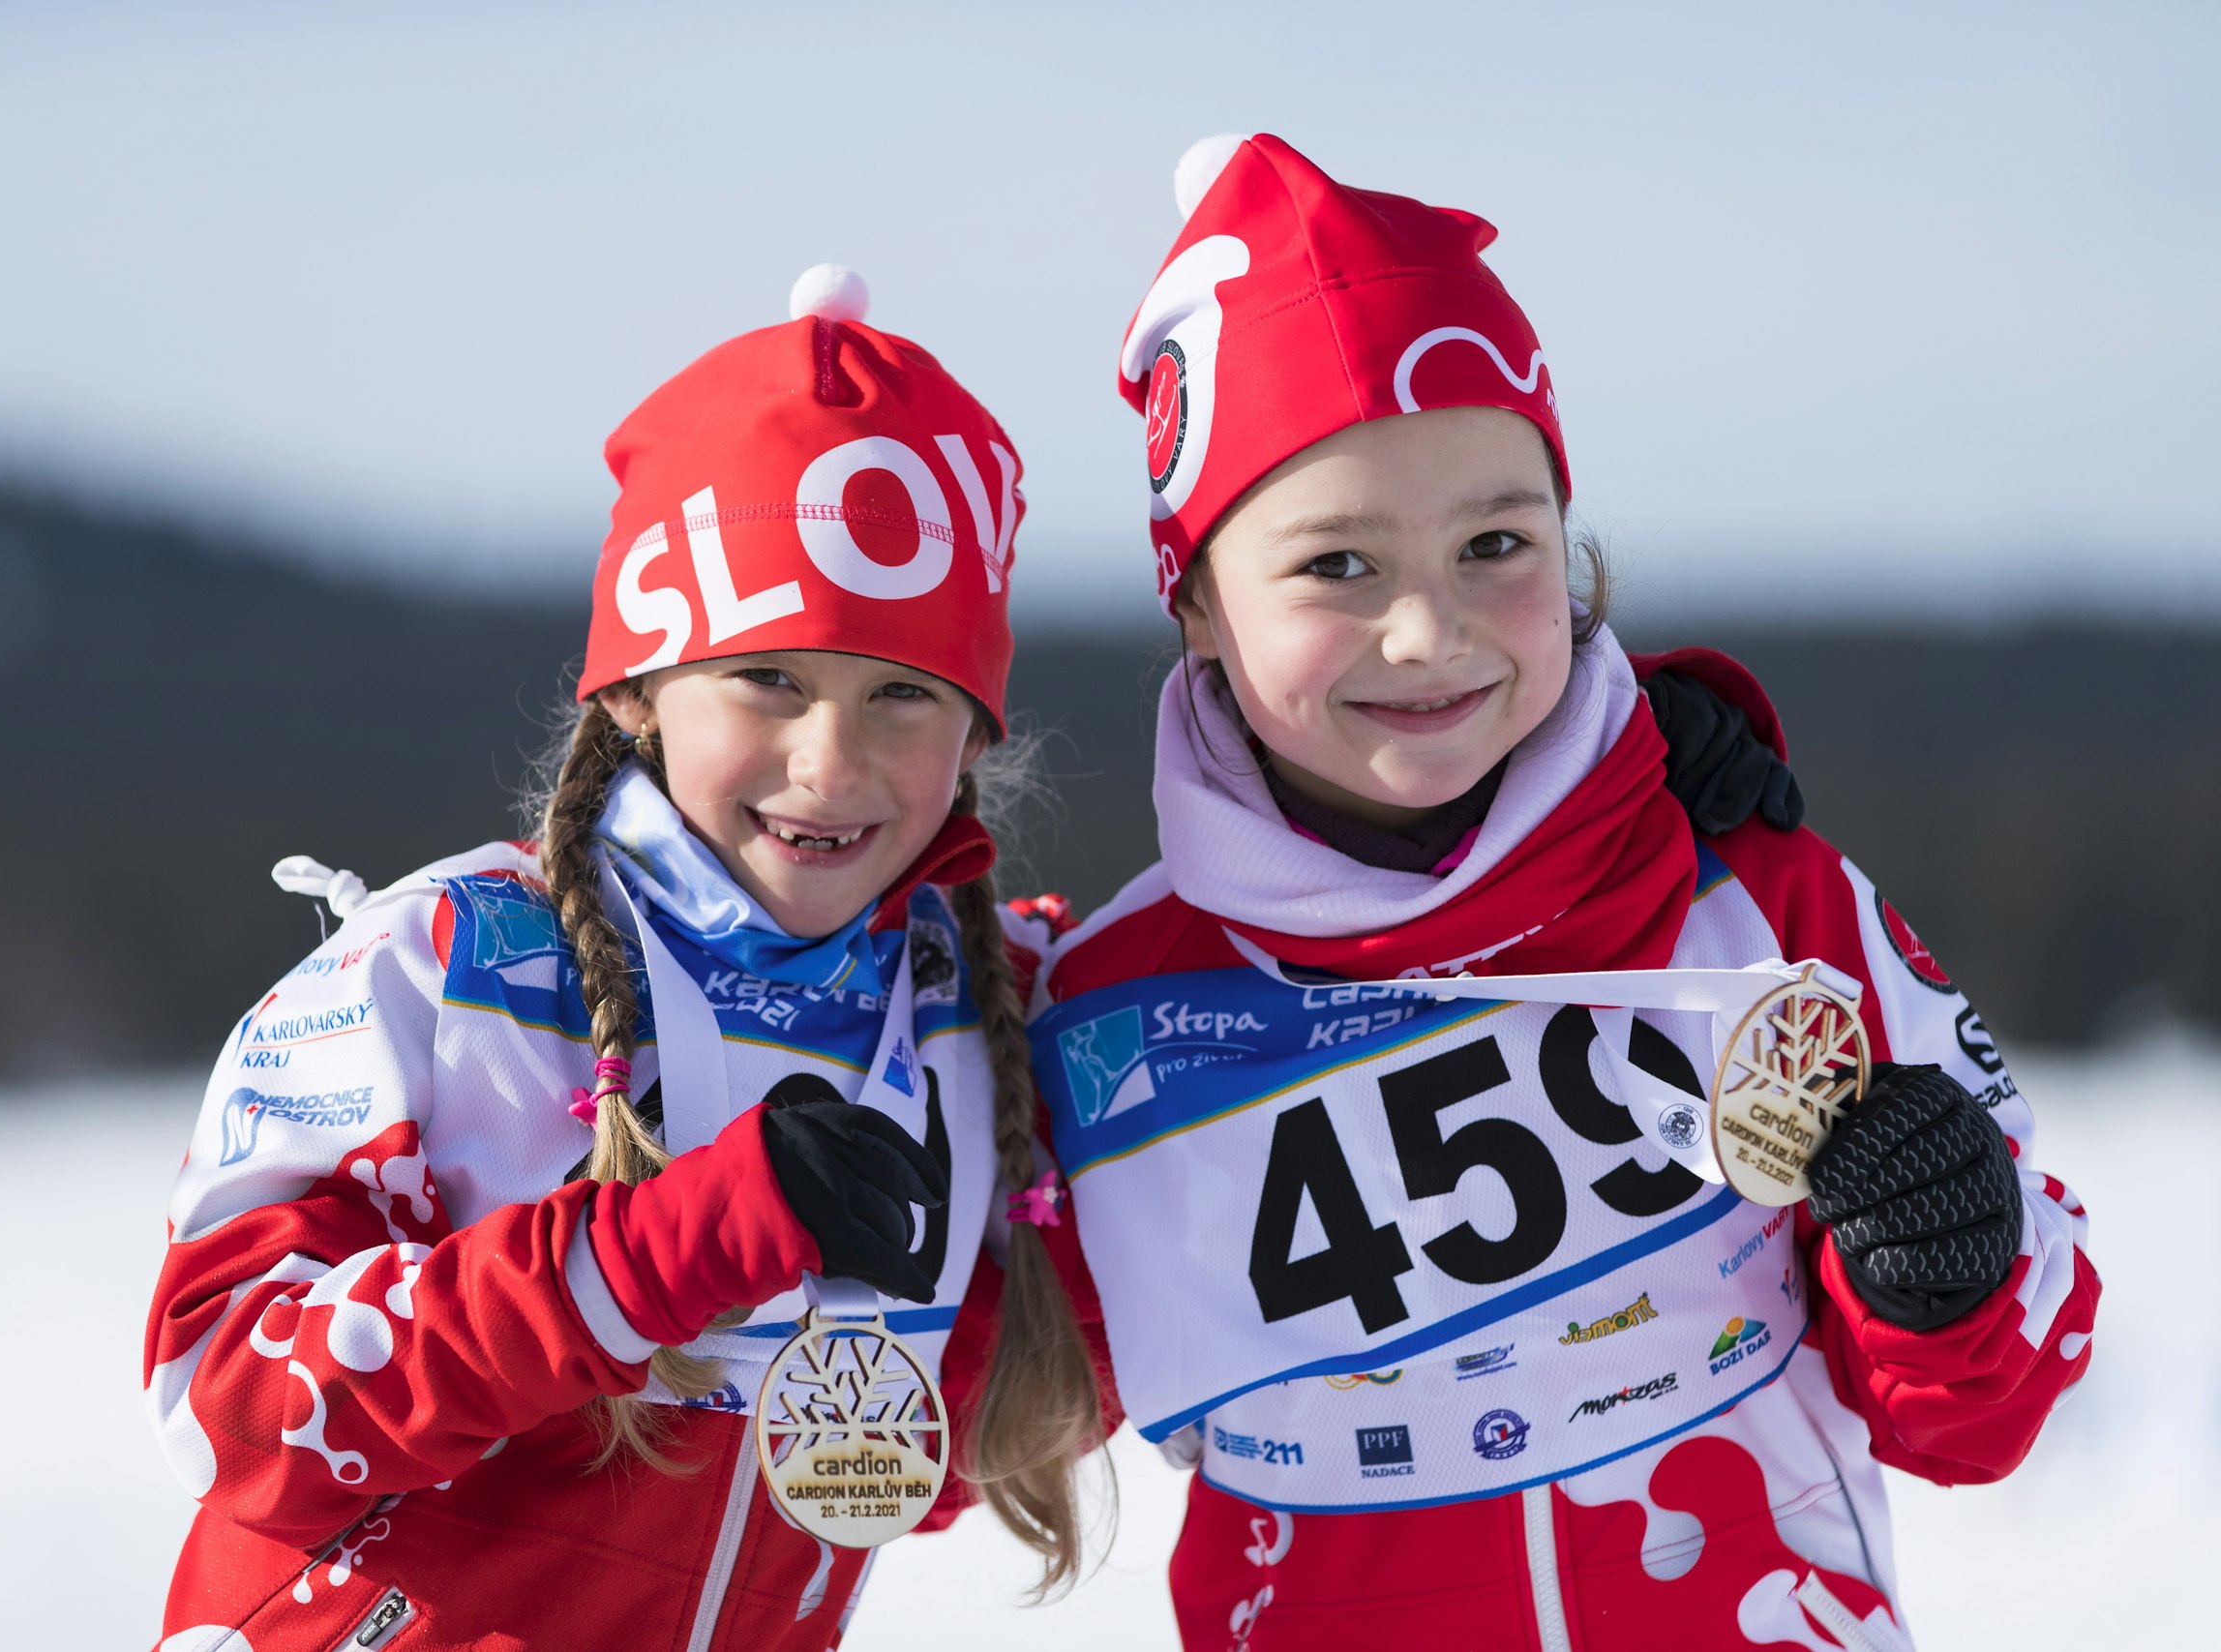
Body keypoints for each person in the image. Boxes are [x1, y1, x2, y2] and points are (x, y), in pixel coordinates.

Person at [1029, 135, 2098, 1651]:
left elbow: (1985, 1414)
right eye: (1336, 565)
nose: (1428, 632)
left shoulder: (1750, 893)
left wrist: (1943, 1256)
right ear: (1196, 599)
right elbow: (956, 1435)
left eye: (1495, 546)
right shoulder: (1110, 1009)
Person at [141, 267, 1106, 1652]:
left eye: (904, 692)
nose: (830, 762)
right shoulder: (456, 967)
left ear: (977, 731)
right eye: (769, 678)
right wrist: (653, 1255)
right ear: (643, 687)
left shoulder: (974, 1019)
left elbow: (894, 1465)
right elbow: (228, 1403)